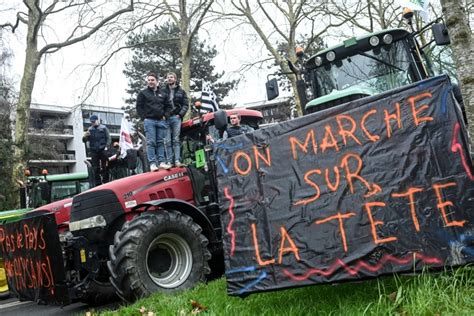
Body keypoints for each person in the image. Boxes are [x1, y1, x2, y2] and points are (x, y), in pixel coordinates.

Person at [136, 72, 172, 171]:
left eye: (152, 80)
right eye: (149, 80)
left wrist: (166, 116)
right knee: (151, 142)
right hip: (149, 121)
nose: (150, 82)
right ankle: (152, 164)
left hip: (161, 121)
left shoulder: (163, 93)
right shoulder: (143, 93)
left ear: (157, 81)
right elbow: (139, 107)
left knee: (160, 142)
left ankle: (162, 162)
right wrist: (144, 118)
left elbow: (168, 106)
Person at [165, 72, 189, 167]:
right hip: (166, 118)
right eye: (168, 77)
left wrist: (180, 114)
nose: (170, 79)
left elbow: (185, 104)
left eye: (171, 77)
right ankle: (169, 162)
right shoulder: (162, 91)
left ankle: (177, 161)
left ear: (175, 79)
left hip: (176, 117)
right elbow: (159, 104)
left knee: (175, 140)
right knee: (167, 141)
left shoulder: (181, 91)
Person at [83, 115, 111, 186]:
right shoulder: (90, 129)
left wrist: (106, 147)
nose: (93, 123)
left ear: (97, 120)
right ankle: (98, 183)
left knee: (105, 166)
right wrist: (85, 136)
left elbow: (109, 138)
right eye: (91, 122)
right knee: (95, 168)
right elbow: (84, 140)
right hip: (94, 151)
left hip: (102, 150)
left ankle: (106, 181)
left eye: (94, 121)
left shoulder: (104, 128)